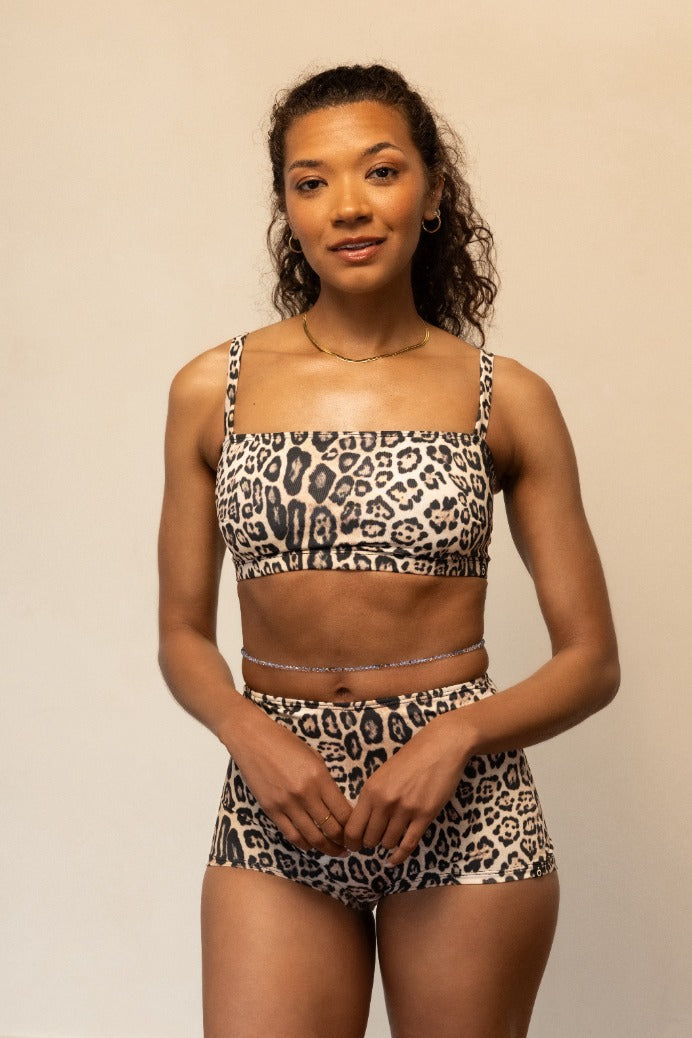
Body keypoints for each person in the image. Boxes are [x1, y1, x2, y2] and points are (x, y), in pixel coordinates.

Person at [158, 64, 620, 1038]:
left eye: (378, 171)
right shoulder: (214, 389)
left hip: (464, 801)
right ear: (285, 205)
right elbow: (181, 634)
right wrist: (252, 739)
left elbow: (590, 661)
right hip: (281, 794)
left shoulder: (508, 399)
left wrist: (450, 740)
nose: (346, 206)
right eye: (309, 181)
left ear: (432, 188)